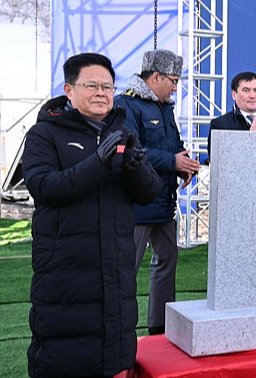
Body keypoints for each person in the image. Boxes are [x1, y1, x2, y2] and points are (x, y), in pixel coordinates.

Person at [23, 53, 161, 377]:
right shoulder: (44, 134)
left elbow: (150, 191)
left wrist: (134, 168)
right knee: (65, 356)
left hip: (116, 273)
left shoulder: (124, 130)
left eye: (108, 87)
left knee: (116, 354)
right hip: (65, 275)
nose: (102, 93)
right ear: (69, 90)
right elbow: (44, 187)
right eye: (92, 85)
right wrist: (98, 162)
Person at [115, 49, 202, 335]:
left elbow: (174, 143)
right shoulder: (126, 105)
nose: (176, 87)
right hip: (136, 206)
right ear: (155, 77)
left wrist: (184, 164)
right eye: (173, 80)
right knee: (126, 268)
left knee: (167, 260)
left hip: (164, 202)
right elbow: (129, 150)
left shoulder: (166, 107)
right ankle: (119, 328)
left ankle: (161, 328)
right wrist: (172, 161)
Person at [207, 71, 256, 161]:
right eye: (246, 90)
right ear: (234, 94)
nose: (252, 96)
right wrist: (248, 142)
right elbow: (218, 162)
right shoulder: (220, 125)